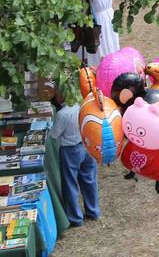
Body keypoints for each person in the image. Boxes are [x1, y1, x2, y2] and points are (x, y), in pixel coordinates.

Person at [52, 87, 99, 225]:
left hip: (70, 150)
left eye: (57, 93)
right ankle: (93, 211)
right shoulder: (83, 107)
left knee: (70, 183)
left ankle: (75, 218)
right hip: (87, 146)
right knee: (89, 180)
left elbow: (54, 134)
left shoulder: (62, 114)